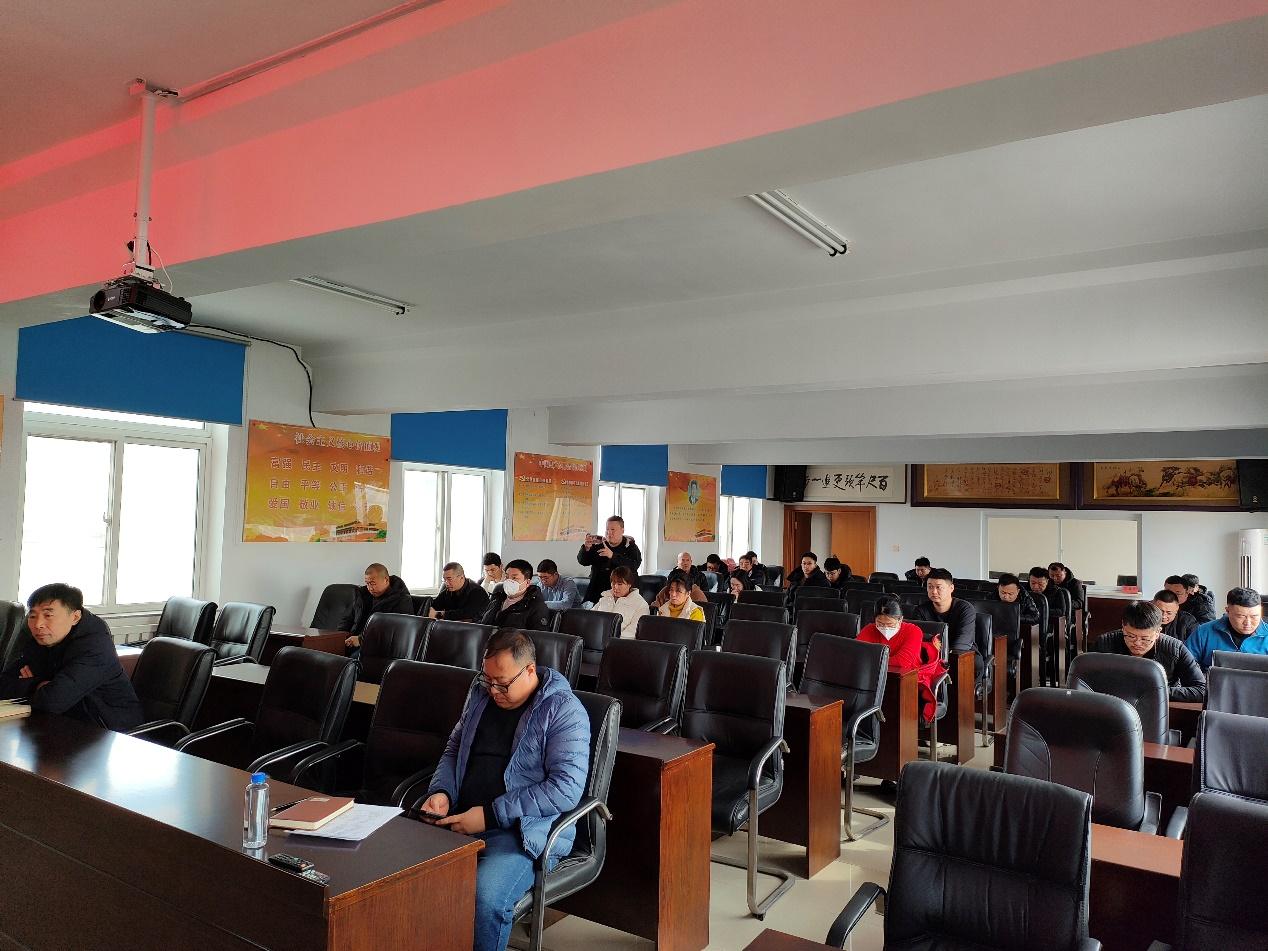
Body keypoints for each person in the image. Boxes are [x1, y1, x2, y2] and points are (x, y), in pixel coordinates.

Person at [417, 629, 590, 951]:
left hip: (521, 832)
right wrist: (442, 793)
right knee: (401, 875)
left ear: (529, 670)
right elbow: (454, 750)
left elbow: (565, 789)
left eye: (502, 683)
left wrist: (491, 815)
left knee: (485, 898)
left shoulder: (564, 710)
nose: (494, 690)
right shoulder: (480, 696)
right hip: (459, 819)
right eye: (488, 680)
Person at [0, 583, 144, 732]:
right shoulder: (43, 640)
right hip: (65, 724)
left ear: (75, 617)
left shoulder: (96, 647)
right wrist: (37, 685)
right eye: (33, 616)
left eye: (48, 615)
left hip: (112, 732)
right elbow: (3, 685)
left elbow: (51, 702)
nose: (38, 624)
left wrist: (37, 687)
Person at [1092, 600, 1206, 703]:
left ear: (1158, 632)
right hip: (1112, 705)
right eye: (1130, 636)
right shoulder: (1104, 644)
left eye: (1145, 639)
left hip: (1158, 707)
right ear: (1123, 626)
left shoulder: (1175, 649)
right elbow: (1084, 682)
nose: (1137, 643)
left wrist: (1156, 692)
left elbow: (1201, 690)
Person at [912, 568, 978, 680]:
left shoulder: (965, 608)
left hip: (961, 654)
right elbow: (919, 637)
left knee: (969, 665)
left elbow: (963, 640)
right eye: (930, 587)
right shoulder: (920, 610)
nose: (934, 591)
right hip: (931, 655)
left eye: (939, 587)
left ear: (951, 588)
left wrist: (946, 660)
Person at [1185, 587, 1268, 671]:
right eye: (1241, 616)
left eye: (1254, 616)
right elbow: (1185, 664)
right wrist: (1200, 676)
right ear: (1228, 611)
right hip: (1211, 679)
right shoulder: (1204, 632)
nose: (1248, 623)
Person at [342, 563, 414, 653]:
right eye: (367, 583)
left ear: (386, 580)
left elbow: (396, 632)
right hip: (353, 642)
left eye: (373, 584)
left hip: (378, 648)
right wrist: (339, 636)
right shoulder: (364, 595)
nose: (370, 588)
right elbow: (348, 619)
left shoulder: (401, 600)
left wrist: (361, 640)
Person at [577, 516, 643, 597]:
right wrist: (586, 548)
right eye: (607, 529)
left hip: (622, 594)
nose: (609, 532)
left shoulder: (630, 547)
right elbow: (583, 561)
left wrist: (613, 556)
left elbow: (634, 565)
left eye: (613, 529)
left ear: (622, 530)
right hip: (598, 593)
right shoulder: (599, 545)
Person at [481, 559, 551, 630]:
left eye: (514, 578)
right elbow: (482, 624)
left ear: (527, 582)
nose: (509, 581)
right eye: (507, 577)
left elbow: (538, 636)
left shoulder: (536, 606)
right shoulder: (497, 599)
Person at [856, 596, 923, 670]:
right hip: (874, 672)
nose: (885, 627)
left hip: (907, 674)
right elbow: (857, 652)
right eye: (880, 623)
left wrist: (872, 661)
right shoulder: (870, 629)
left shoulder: (913, 631)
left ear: (900, 620)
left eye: (890, 624)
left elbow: (903, 661)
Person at [592, 565, 649, 636]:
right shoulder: (605, 598)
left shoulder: (640, 604)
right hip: (595, 638)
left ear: (629, 584)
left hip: (621, 641)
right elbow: (590, 618)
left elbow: (633, 631)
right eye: (613, 583)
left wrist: (612, 639)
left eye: (620, 584)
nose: (615, 587)